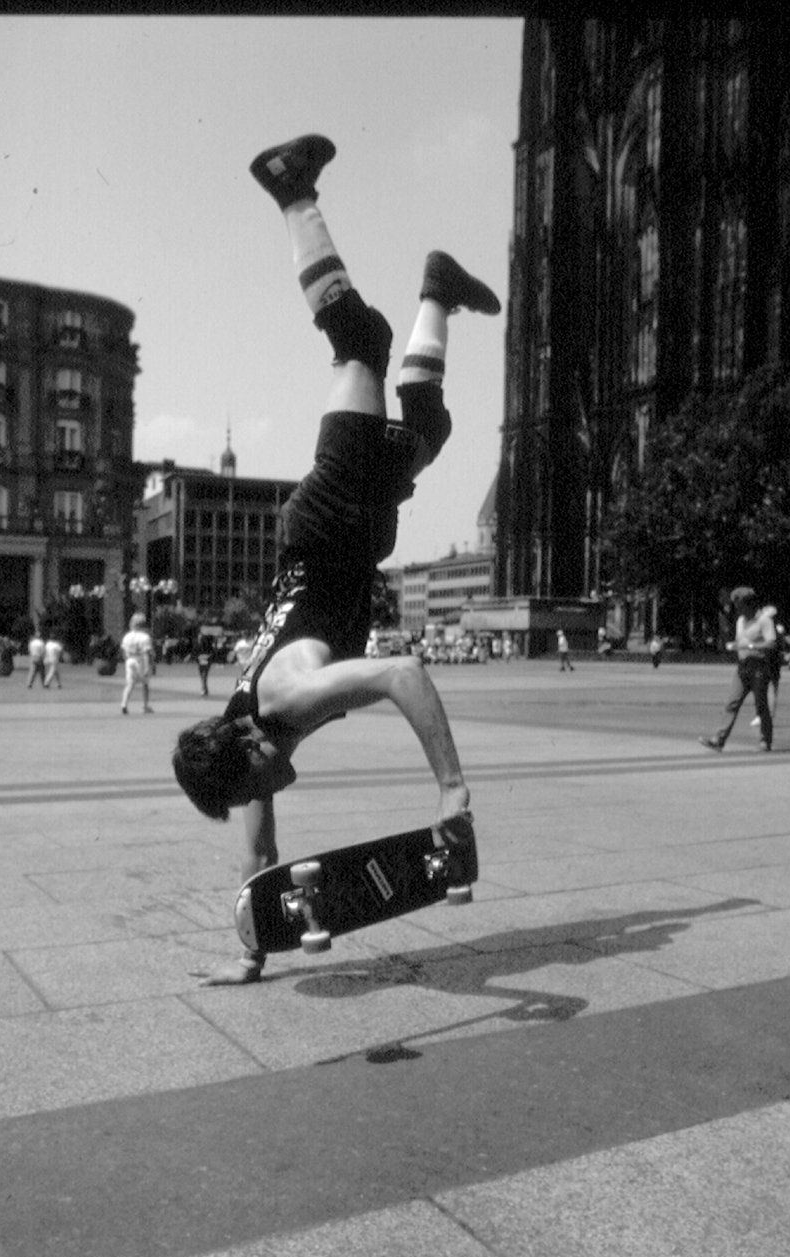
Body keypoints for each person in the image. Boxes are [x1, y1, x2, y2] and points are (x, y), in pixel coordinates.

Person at [172, 133, 498, 984]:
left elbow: (402, 676)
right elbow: (262, 856)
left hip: (331, 520)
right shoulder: (248, 734)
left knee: (359, 339)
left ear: (244, 751)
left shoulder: (283, 697)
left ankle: (290, 193)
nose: (270, 789)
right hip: (345, 531)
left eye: (255, 785)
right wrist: (255, 942)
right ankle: (440, 288)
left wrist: (451, 788)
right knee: (428, 428)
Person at [700, 586, 775, 753]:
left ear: (748, 604)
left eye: (738, 604)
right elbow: (739, 640)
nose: (736, 607)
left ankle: (765, 741)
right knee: (731, 703)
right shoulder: (740, 621)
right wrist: (734, 646)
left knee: (760, 705)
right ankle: (719, 740)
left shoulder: (764, 620)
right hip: (742, 668)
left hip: (759, 667)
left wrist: (750, 645)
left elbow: (771, 643)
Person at [120, 612, 155, 714]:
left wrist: (127, 660)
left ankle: (124, 704)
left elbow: (124, 652)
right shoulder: (145, 637)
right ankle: (145, 706)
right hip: (141, 661)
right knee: (145, 684)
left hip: (130, 660)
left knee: (129, 684)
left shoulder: (127, 636)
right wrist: (148, 667)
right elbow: (146, 653)